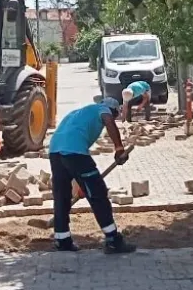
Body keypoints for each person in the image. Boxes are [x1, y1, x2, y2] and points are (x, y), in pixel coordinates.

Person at [48, 97, 136, 254]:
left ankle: (62, 240)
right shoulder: (103, 110)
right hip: (75, 152)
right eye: (115, 115)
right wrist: (119, 148)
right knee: (98, 194)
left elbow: (69, 142)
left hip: (55, 151)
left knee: (62, 196)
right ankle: (113, 240)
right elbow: (108, 119)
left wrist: (82, 184)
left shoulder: (78, 112)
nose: (112, 118)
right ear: (113, 110)